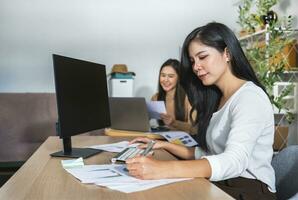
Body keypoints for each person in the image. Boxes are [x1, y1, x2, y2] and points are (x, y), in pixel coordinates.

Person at [126, 22, 276, 200]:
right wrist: (164, 145)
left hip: (250, 190)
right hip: (225, 181)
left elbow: (234, 161)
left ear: (227, 53)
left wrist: (162, 169)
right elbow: (210, 154)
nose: (196, 66)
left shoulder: (249, 97)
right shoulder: (218, 98)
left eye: (202, 57)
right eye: (192, 61)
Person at [151, 58, 196, 134]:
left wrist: (174, 122)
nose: (166, 80)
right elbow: (150, 123)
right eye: (163, 75)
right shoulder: (155, 97)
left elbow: (194, 129)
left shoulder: (188, 97)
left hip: (185, 140)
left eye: (171, 76)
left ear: (179, 78)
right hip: (163, 138)